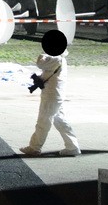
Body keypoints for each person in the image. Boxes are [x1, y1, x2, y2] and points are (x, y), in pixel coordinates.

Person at [19, 29, 81, 157]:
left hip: (51, 96)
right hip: (56, 95)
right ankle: (72, 146)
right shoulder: (59, 59)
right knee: (60, 121)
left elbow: (40, 63)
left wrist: (44, 52)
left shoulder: (55, 59)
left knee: (43, 121)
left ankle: (34, 147)